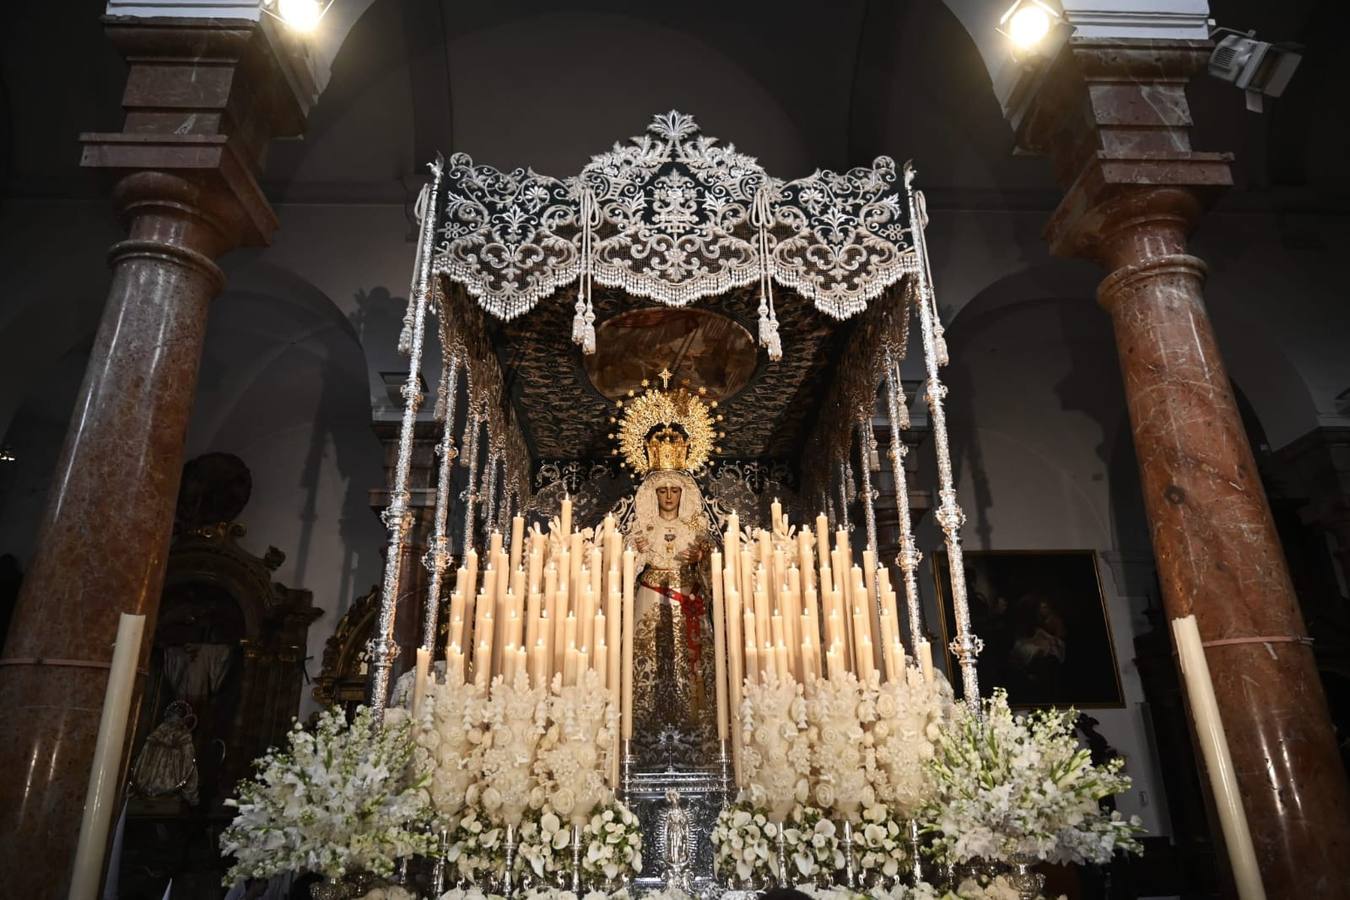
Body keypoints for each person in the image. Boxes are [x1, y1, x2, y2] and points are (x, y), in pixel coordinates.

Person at [625, 467, 717, 761]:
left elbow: (715, 567)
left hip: (686, 597)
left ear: (683, 494)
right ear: (653, 495)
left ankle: (693, 731)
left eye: (674, 490)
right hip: (651, 596)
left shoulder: (695, 529)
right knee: (647, 659)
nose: (668, 496)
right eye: (662, 490)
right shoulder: (642, 529)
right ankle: (641, 732)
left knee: (688, 664)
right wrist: (633, 552)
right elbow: (623, 569)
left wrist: (702, 558)